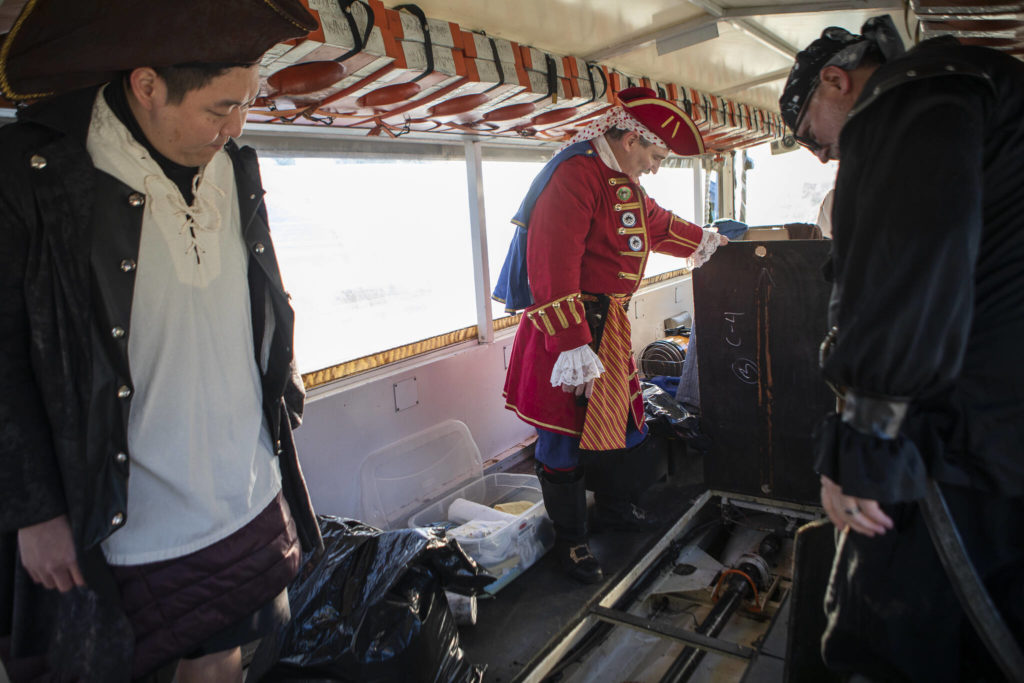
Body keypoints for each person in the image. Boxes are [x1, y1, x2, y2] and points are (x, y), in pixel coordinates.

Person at [0, 2, 323, 681]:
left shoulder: (236, 166)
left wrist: (282, 369)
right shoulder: (33, 174)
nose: (235, 126)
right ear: (146, 86)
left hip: (242, 489)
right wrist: (32, 509)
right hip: (114, 512)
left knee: (222, 661)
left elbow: (260, 289)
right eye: (219, 108)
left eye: (247, 103)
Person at [780, 15, 1024, 682]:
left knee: (884, 642)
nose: (826, 156)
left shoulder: (911, 95)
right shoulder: (995, 91)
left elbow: (907, 265)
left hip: (957, 448)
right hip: (1002, 437)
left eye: (813, 137)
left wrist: (864, 450)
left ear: (837, 81)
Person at [493, 87, 728, 583]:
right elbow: (551, 270)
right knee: (561, 435)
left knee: (623, 422)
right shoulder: (574, 175)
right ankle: (572, 542)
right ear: (629, 140)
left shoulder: (616, 177)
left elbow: (655, 224)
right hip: (568, 330)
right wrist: (572, 345)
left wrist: (708, 241)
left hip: (609, 327)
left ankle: (618, 510)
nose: (656, 167)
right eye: (655, 156)